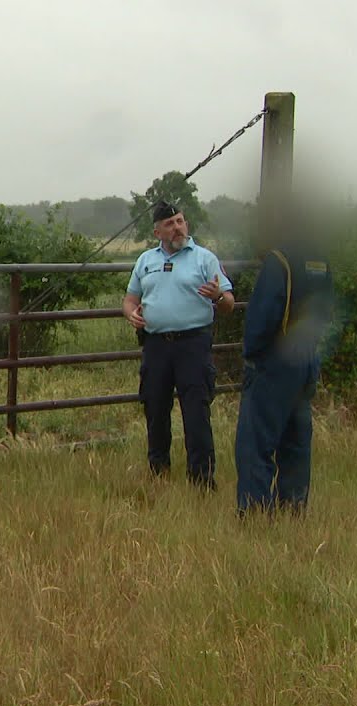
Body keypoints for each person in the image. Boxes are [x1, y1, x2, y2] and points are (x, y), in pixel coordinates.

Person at [123, 200, 235, 489]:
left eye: (181, 221)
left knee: (196, 412)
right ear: (157, 231)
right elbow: (130, 299)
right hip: (156, 345)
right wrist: (131, 314)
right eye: (170, 224)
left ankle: (201, 480)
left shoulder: (205, 259)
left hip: (192, 345)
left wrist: (217, 296)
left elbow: (229, 303)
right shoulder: (146, 260)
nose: (178, 227)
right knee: (155, 410)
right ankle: (158, 473)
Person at [234, 204, 335, 515]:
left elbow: (264, 316)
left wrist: (252, 355)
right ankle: (293, 508)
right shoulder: (321, 260)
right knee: (296, 441)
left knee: (256, 443)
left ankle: (254, 514)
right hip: (306, 359)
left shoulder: (280, 260)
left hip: (274, 363)